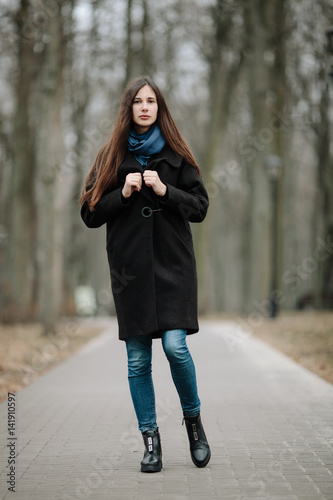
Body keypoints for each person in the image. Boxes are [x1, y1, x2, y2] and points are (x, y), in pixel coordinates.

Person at [80, 76, 210, 473]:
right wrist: (123, 193)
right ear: (129, 108)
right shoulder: (109, 157)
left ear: (160, 107)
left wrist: (164, 190)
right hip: (130, 271)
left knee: (175, 347)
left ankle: (194, 425)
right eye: (138, 101)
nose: (145, 107)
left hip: (173, 267)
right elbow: (89, 213)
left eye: (151, 101)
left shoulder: (177, 155)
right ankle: (150, 442)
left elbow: (201, 206)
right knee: (138, 360)